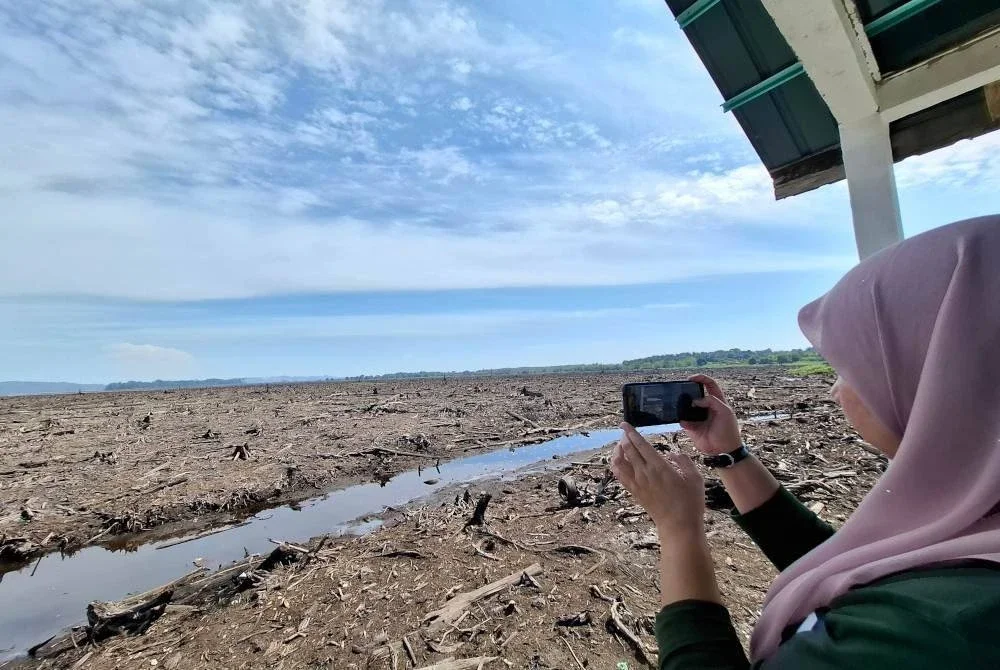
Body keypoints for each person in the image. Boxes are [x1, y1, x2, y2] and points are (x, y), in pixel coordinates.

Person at [611, 215, 1000, 669]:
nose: (836, 388)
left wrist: (679, 529)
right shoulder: (970, 524)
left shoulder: (934, 633)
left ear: (941, 373)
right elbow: (841, 563)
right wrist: (729, 455)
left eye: (851, 365)